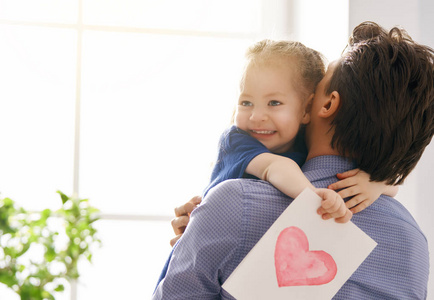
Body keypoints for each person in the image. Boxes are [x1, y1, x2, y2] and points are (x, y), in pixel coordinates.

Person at [153, 21, 433, 299]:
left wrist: (203, 230)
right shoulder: (412, 241)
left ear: (326, 104)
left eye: (317, 86)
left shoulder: (236, 205)